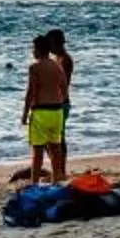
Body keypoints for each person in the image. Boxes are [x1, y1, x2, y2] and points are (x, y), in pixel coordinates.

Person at [23, 29, 74, 182]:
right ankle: (57, 175)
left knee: (45, 147)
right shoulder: (56, 64)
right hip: (57, 107)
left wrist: (25, 112)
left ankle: (54, 174)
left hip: (48, 108)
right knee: (55, 144)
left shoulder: (62, 61)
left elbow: (31, 91)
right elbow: (63, 88)